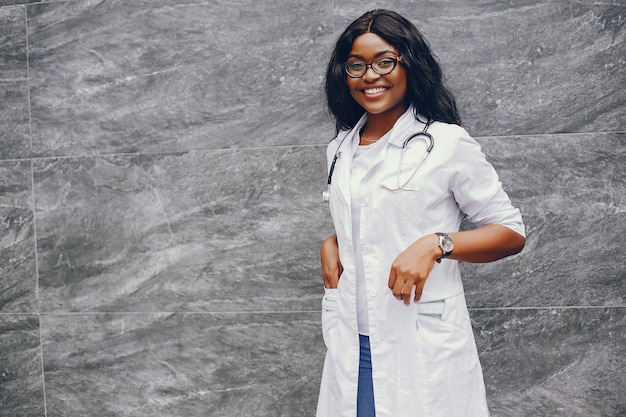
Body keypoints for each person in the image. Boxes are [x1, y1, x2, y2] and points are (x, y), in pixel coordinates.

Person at [316, 9, 526, 417]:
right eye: (356, 65)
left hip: (420, 337)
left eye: (384, 61)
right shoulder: (340, 148)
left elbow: (511, 232)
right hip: (354, 344)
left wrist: (437, 244)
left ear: (410, 64)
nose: (370, 75)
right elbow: (376, 218)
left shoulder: (446, 143)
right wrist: (337, 239)